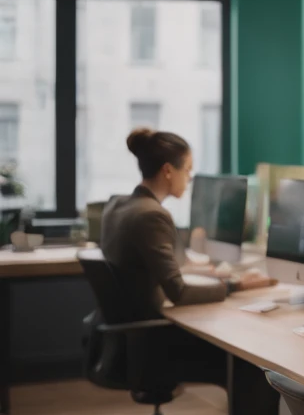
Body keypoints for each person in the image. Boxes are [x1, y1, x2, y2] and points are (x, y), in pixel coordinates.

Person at [96, 128, 270, 385]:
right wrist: (236, 285)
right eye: (187, 170)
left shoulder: (117, 205)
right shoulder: (152, 215)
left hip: (126, 338)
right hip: (152, 343)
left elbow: (157, 270)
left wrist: (212, 274)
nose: (189, 179)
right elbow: (179, 292)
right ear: (168, 171)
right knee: (249, 361)